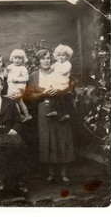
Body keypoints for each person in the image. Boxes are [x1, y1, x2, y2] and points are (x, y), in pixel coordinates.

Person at [23, 49, 75, 186]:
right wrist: (43, 94)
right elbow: (29, 96)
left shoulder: (58, 70)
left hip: (60, 109)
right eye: (42, 58)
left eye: (48, 58)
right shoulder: (34, 76)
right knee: (47, 141)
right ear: (38, 61)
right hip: (43, 110)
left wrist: (59, 91)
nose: (46, 61)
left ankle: (64, 174)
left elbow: (70, 88)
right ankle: (50, 174)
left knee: (63, 139)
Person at [44, 44, 74, 121]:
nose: (61, 57)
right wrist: (51, 68)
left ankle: (60, 112)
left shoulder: (67, 64)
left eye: (63, 55)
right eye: (59, 55)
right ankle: (58, 111)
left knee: (57, 95)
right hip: (56, 82)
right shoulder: (57, 63)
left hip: (62, 83)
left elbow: (64, 71)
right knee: (55, 95)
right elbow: (52, 68)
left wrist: (59, 65)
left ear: (67, 56)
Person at [4, 49, 33, 122]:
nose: (17, 60)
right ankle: (27, 114)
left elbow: (26, 78)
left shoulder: (23, 68)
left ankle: (19, 114)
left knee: (12, 101)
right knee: (20, 102)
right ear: (12, 58)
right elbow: (5, 76)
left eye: (20, 58)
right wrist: (6, 71)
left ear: (23, 59)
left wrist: (17, 79)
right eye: (15, 58)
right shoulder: (10, 66)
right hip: (11, 87)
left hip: (19, 87)